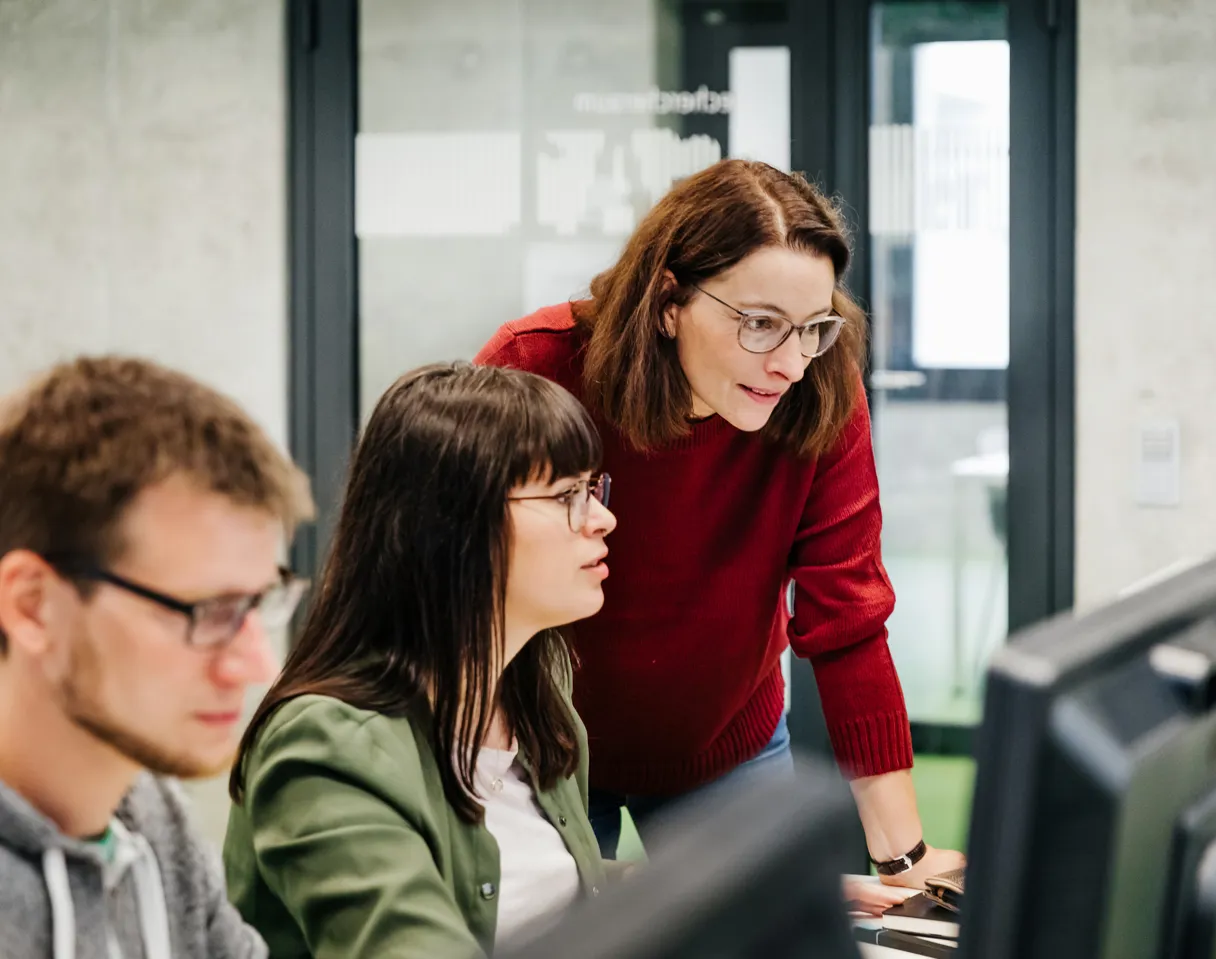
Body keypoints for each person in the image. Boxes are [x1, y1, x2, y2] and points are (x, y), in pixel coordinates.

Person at [476, 158, 963, 903]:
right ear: (669, 300)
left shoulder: (822, 391)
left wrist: (904, 858)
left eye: (812, 328)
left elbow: (849, 622)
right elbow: (458, 584)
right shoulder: (537, 367)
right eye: (761, 324)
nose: (792, 363)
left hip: (727, 740)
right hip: (545, 745)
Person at [224, 362, 618, 957]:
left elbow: (551, 890)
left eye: (593, 489)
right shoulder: (324, 745)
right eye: (567, 495)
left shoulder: (537, 687)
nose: (602, 518)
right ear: (454, 527)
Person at [0, 356, 314, 959]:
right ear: (34, 606)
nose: (256, 666)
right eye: (208, 611)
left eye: (258, 603)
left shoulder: (148, 815)